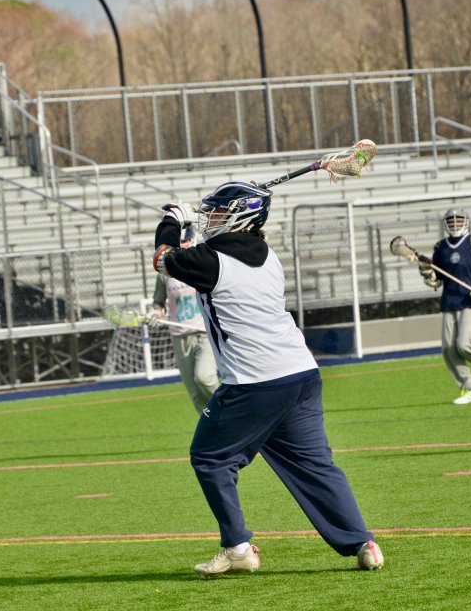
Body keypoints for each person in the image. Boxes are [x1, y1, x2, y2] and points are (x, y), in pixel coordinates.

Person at [153, 183, 384, 575]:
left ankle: (238, 547)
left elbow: (163, 258)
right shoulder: (268, 254)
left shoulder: (212, 260)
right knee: (314, 466)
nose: (210, 218)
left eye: (218, 212)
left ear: (239, 217)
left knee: (209, 457)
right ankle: (363, 543)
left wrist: (173, 219)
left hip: (254, 381)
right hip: (301, 374)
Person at [419, 208, 471, 405]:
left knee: (464, 345)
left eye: (458, 220)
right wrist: (427, 272)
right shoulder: (441, 247)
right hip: (449, 302)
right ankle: (470, 389)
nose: (454, 224)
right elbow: (436, 279)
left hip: (470, 301)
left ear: (465, 222)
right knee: (449, 350)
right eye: (451, 221)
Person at [148, 224, 219, 414]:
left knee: (205, 378)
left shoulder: (203, 265)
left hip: (204, 333)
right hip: (179, 336)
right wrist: (156, 313)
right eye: (179, 241)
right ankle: (212, 428)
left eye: (185, 240)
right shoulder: (165, 272)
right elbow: (158, 302)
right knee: (195, 394)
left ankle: (232, 409)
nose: (182, 245)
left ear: (192, 240)